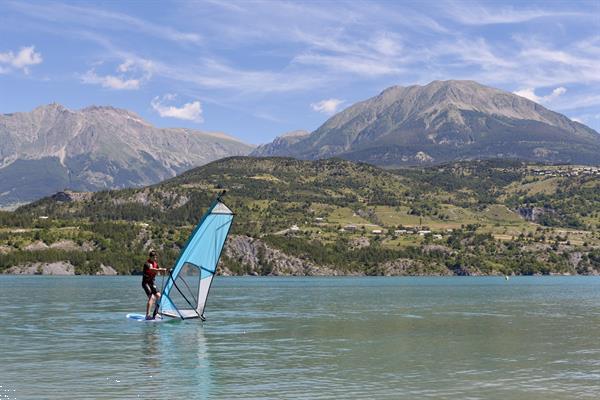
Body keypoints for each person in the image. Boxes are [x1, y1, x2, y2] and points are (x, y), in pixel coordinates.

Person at [142, 250, 169, 320]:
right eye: (154, 257)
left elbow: (159, 269)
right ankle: (147, 315)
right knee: (152, 297)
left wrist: (166, 270)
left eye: (156, 257)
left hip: (151, 283)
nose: (155, 259)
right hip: (145, 283)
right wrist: (161, 270)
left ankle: (155, 314)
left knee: (159, 296)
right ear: (151, 257)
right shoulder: (147, 264)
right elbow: (152, 269)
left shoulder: (155, 264)